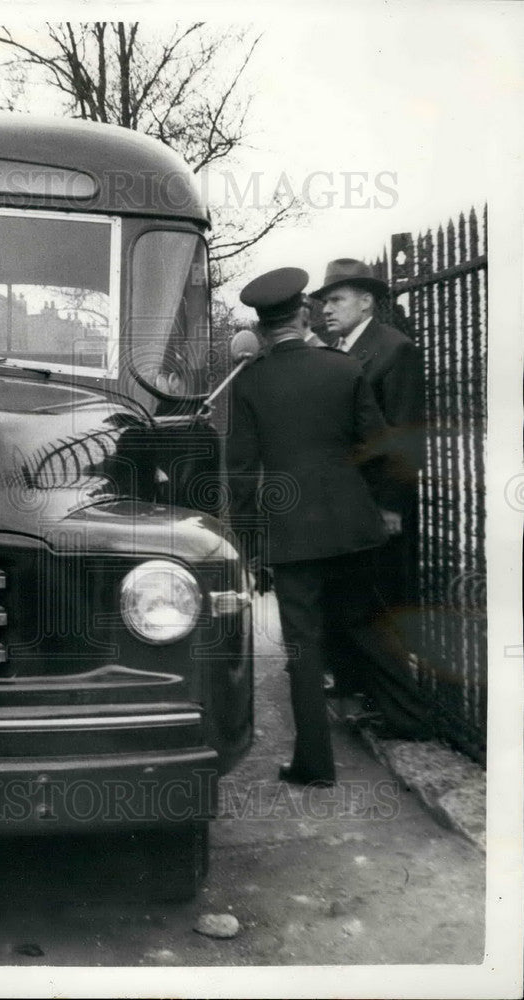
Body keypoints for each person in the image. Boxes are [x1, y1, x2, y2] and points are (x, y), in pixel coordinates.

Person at [227, 267, 392, 786]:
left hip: (292, 537)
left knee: (303, 650)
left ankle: (314, 764)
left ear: (260, 326)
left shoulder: (250, 381)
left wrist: (249, 543)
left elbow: (240, 472)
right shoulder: (343, 368)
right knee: (366, 627)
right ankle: (404, 719)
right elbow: (379, 447)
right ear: (303, 314)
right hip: (354, 529)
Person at [315, 258, 425, 611]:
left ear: (366, 302)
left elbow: (405, 432)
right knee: (346, 603)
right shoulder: (335, 350)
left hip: (376, 504)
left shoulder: (395, 349)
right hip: (341, 504)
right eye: (325, 302)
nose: (326, 310)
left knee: (378, 603)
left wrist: (391, 504)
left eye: (337, 300)